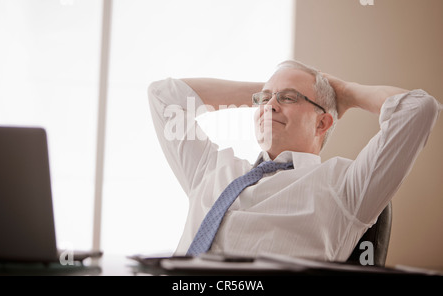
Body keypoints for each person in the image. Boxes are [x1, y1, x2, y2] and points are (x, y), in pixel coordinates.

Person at [147, 60, 441, 262]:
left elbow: (418, 110)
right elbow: (163, 97)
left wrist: (344, 93)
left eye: (288, 98)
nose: (270, 106)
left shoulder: (345, 186)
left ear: (322, 123)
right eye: (263, 100)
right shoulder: (212, 169)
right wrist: (271, 91)